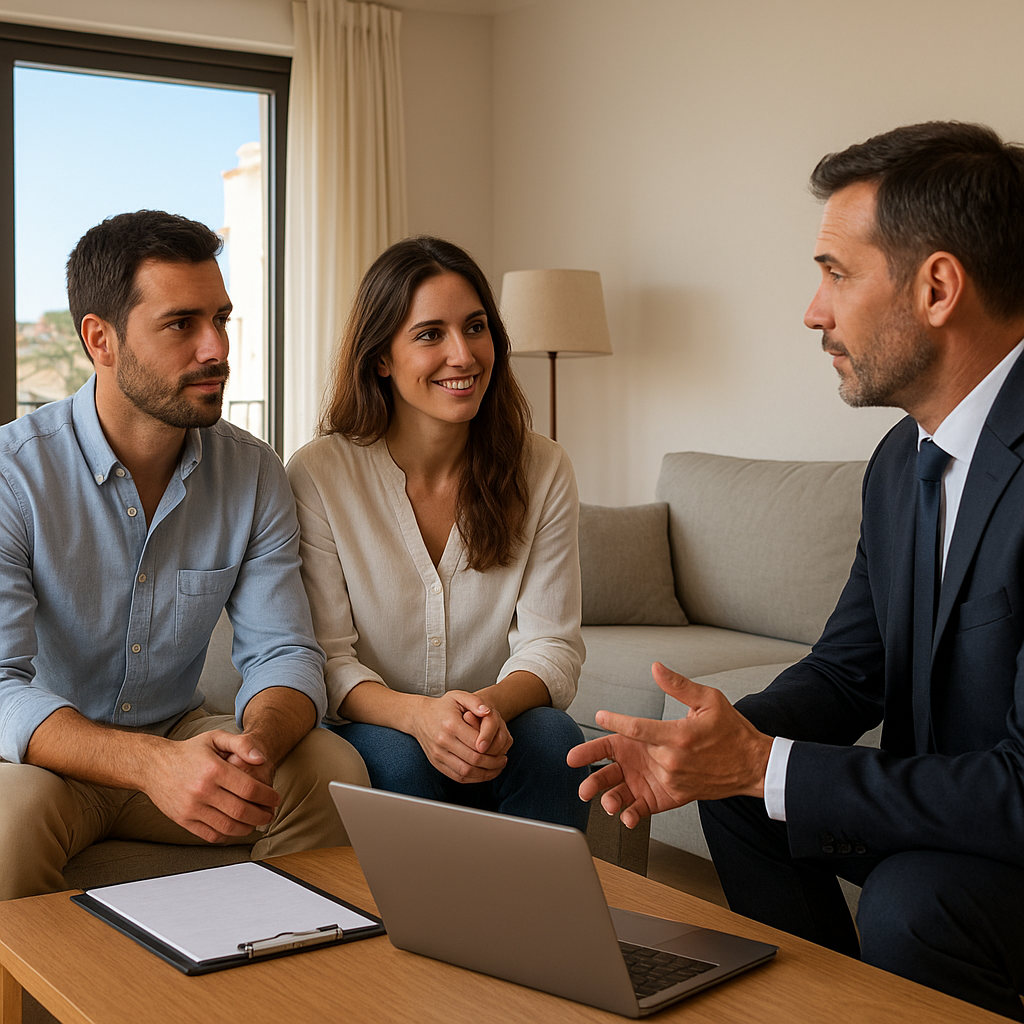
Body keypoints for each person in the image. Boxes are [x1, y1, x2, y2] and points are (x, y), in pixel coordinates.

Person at [568, 121, 1024, 1019]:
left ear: (938, 286)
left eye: (836, 273)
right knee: (740, 798)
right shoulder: (903, 462)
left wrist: (760, 763)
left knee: (910, 902)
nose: (813, 310)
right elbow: (849, 670)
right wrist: (714, 745)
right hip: (949, 814)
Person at [0, 210, 369, 901]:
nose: (216, 348)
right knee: (4, 824)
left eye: (222, 319)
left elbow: (286, 654)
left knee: (330, 767)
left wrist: (254, 744)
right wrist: (149, 766)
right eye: (182, 324)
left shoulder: (252, 472)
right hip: (46, 760)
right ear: (99, 340)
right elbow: (0, 686)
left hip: (178, 730)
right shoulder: (12, 476)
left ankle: (274, 988)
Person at [286, 235, 590, 831]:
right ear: (381, 357)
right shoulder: (320, 474)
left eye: (475, 328)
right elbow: (327, 659)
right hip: (372, 723)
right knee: (405, 765)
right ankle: (425, 927)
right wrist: (419, 717)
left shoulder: (544, 469)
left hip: (490, 714)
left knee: (557, 740)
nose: (463, 355)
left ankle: (543, 924)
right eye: (430, 334)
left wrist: (482, 711)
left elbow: (552, 646)